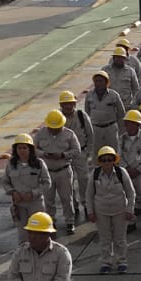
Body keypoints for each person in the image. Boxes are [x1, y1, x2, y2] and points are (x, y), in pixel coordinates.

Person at [87, 146, 135, 274]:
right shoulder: (94, 174)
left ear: (114, 160)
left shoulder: (121, 172)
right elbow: (89, 195)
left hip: (120, 210)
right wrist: (90, 212)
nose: (107, 162)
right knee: (105, 239)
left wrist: (130, 209)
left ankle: (122, 261)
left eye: (110, 159)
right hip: (101, 212)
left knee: (120, 238)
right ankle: (106, 262)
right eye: (104, 160)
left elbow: (131, 193)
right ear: (100, 162)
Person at [35, 110, 81, 235]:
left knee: (67, 198)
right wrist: (43, 154)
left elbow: (77, 150)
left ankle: (70, 222)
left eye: (57, 128)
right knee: (48, 199)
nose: (54, 130)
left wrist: (63, 155)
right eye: (52, 128)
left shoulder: (69, 134)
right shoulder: (40, 134)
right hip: (47, 172)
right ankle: (51, 221)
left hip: (63, 170)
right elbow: (33, 149)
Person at [3, 134, 52, 243]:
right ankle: (23, 251)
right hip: (19, 205)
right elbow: (5, 182)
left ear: (30, 149)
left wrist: (33, 193)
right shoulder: (11, 164)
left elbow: (47, 183)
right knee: (22, 233)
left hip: (35, 203)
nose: (22, 151)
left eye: (24, 148)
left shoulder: (39, 163)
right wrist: (13, 192)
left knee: (38, 232)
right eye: (19, 148)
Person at [58, 90, 94, 219]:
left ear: (74, 104)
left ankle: (86, 204)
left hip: (80, 153)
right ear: (61, 105)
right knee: (68, 182)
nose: (68, 106)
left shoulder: (81, 115)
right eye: (65, 104)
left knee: (84, 179)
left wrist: (88, 152)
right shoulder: (57, 117)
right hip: (64, 155)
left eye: (71, 103)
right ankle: (73, 205)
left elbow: (90, 134)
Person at [85, 71, 125, 156]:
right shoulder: (89, 95)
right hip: (95, 129)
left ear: (106, 82)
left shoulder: (114, 95)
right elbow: (87, 113)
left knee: (113, 153)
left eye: (100, 81)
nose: (98, 83)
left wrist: (121, 131)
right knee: (96, 154)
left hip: (110, 128)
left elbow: (121, 114)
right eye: (96, 81)